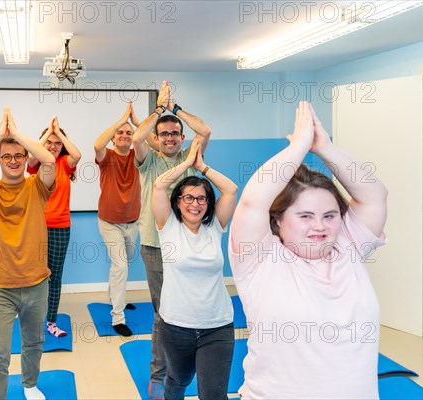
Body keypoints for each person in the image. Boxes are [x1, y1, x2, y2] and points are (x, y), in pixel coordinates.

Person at [229, 101, 388, 399]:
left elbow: (375, 196)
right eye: (305, 216)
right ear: (278, 219)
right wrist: (298, 148)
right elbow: (252, 202)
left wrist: (325, 148)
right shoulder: (260, 258)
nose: (320, 226)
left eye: (330, 215)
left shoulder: (348, 246)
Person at [132, 81, 212, 399]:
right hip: (155, 244)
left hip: (191, 245)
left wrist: (174, 109)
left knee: (190, 306)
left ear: (180, 137)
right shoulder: (149, 160)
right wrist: (158, 109)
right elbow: (138, 137)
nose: (168, 138)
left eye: (174, 133)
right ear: (158, 139)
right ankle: (158, 374)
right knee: (163, 312)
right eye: (163, 134)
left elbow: (204, 130)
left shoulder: (192, 156)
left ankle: (188, 365)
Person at [153, 138, 238, 399]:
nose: (195, 203)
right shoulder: (167, 226)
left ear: (209, 203)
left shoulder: (215, 227)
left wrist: (203, 167)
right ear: (178, 202)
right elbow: (159, 185)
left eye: (202, 198)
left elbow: (232, 190)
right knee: (178, 379)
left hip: (218, 325)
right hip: (176, 325)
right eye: (188, 197)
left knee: (213, 394)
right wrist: (187, 163)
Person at [0, 108, 56, 400]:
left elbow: (49, 159)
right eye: (7, 156)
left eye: (19, 156)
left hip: (36, 282)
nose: (13, 161)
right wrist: (1, 135)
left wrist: (17, 136)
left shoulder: (37, 186)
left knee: (34, 342)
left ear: (27, 159)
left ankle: (29, 385)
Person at [94, 101, 147, 337]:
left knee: (124, 263)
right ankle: (118, 317)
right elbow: (97, 144)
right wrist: (120, 121)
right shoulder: (107, 158)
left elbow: (150, 141)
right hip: (109, 222)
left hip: (133, 221)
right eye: (120, 133)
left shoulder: (139, 156)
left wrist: (136, 123)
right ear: (114, 138)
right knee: (120, 266)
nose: (125, 136)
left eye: (129, 133)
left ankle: (116, 298)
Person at [26, 116, 82, 338]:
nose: (53, 146)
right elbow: (31, 155)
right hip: (36, 227)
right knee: (34, 275)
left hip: (60, 227)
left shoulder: (65, 165)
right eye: (49, 142)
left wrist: (58, 133)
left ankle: (50, 321)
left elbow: (77, 154)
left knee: (55, 276)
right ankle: (32, 317)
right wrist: (47, 134)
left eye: (57, 143)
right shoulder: (35, 167)